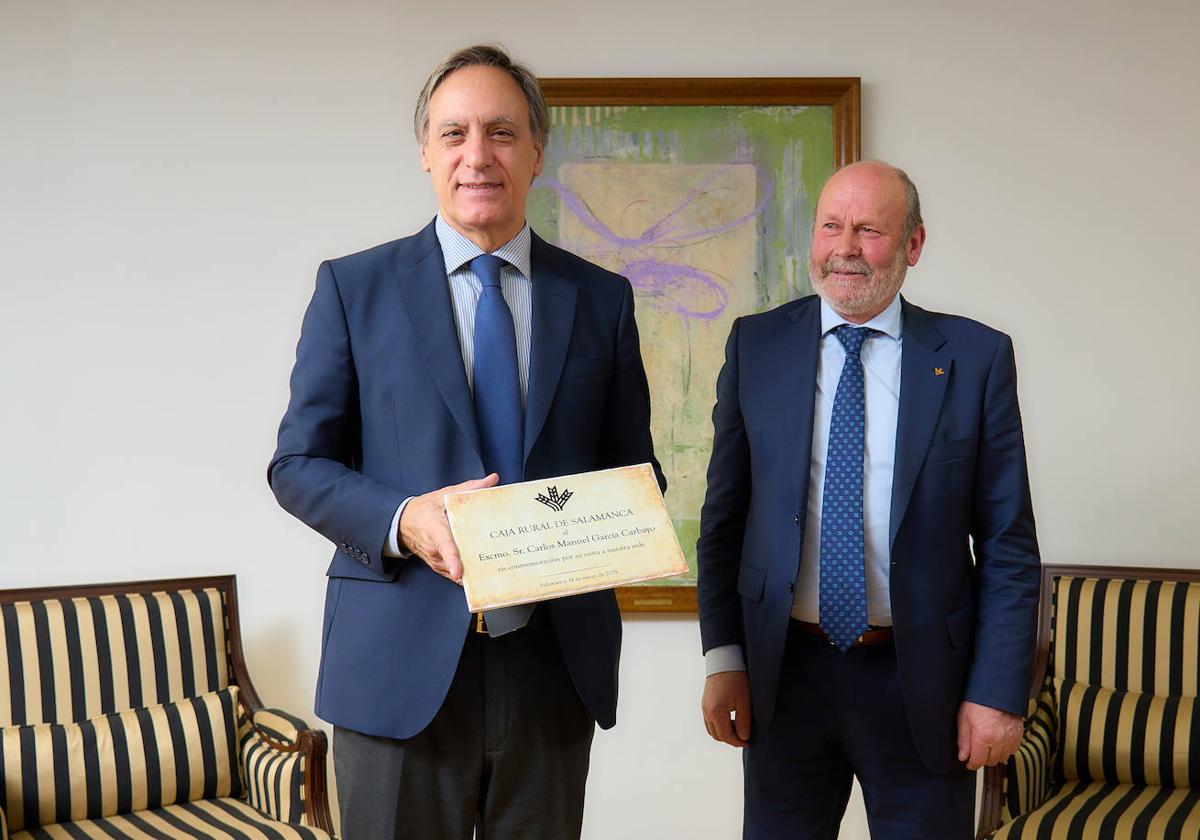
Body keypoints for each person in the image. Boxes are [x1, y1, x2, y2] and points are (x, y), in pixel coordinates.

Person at [268, 44, 661, 840]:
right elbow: (297, 465)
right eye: (454, 134)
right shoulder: (354, 288)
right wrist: (404, 518)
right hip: (396, 671)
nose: (477, 155)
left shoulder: (601, 299)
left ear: (537, 152)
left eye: (502, 133)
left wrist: (599, 519)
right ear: (425, 152)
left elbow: (637, 469)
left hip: (553, 667)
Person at [696, 161, 1040, 838]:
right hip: (784, 676)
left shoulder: (975, 357)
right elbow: (723, 521)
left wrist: (996, 693)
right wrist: (724, 660)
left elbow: (1007, 543)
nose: (845, 247)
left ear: (912, 245)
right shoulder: (757, 346)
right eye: (831, 226)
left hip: (922, 683)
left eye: (869, 230)